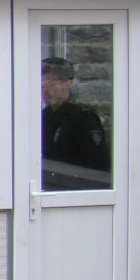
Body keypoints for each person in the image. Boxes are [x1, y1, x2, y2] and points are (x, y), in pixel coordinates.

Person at [41, 56, 110, 190]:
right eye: (42, 86)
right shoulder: (45, 116)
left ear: (67, 83)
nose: (46, 92)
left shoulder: (83, 118)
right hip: (50, 188)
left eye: (51, 85)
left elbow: (98, 167)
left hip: (76, 191)